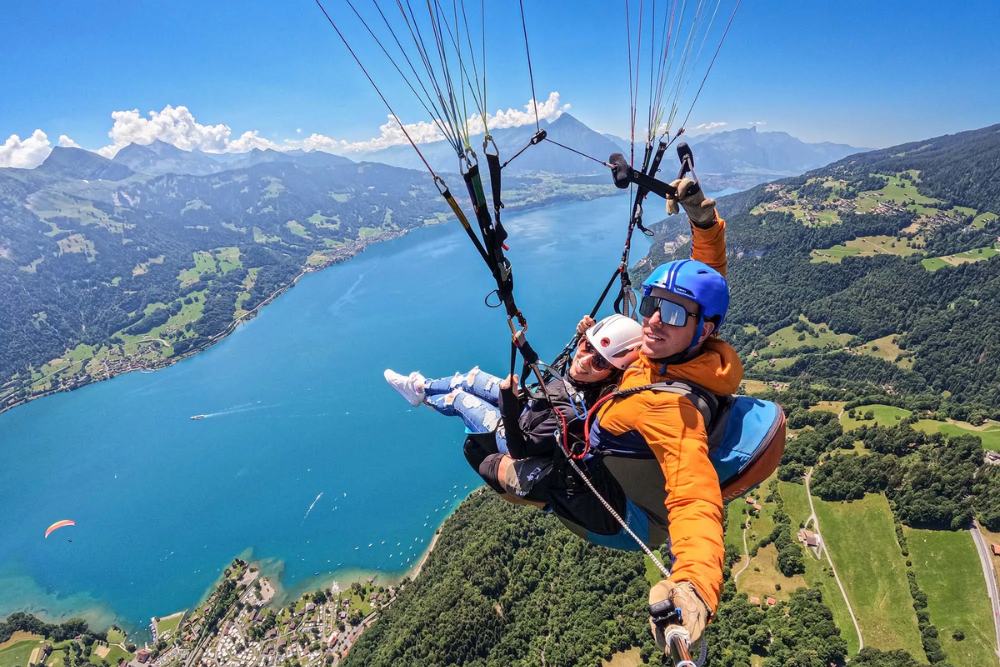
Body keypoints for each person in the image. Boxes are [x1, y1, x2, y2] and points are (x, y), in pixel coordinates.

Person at [587, 178, 741, 656]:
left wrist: (692, 586)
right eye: (653, 306)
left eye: (671, 316)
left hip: (610, 491)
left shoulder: (675, 409)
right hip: (619, 414)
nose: (653, 321)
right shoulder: (683, 349)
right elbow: (706, 275)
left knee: (493, 460)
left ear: (704, 329)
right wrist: (704, 221)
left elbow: (695, 498)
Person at [384, 314, 643, 502]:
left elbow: (519, 450)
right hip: (527, 405)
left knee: (460, 399)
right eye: (586, 347)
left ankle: (426, 399)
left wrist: (507, 404)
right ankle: (420, 387)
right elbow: (552, 370)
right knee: (470, 378)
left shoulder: (573, 412)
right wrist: (566, 338)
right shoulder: (583, 379)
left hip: (512, 435)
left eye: (599, 362)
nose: (584, 361)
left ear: (612, 375)